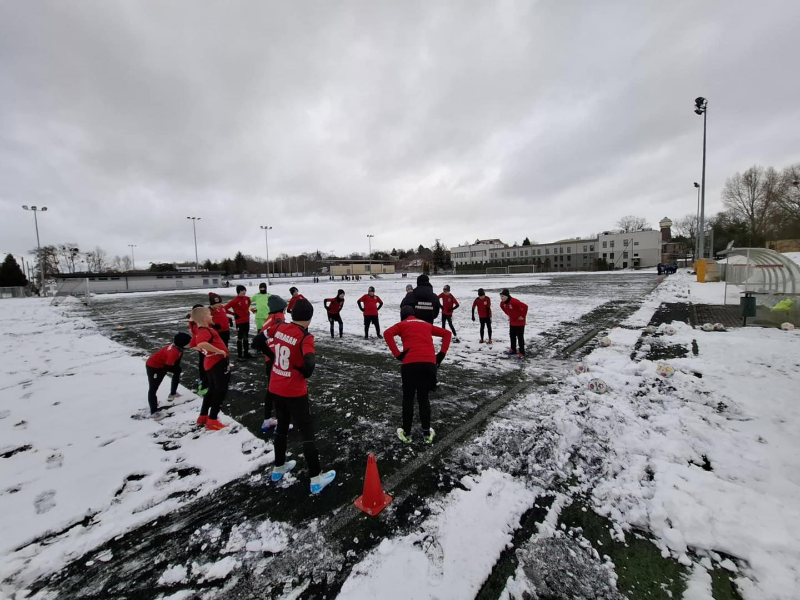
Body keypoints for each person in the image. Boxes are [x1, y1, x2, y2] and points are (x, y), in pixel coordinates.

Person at [264, 298, 336, 494]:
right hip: (294, 390)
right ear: (310, 319)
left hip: (276, 386)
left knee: (281, 426)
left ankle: (278, 467)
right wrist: (304, 372)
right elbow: (310, 361)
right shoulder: (305, 336)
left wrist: (273, 359)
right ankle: (315, 478)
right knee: (306, 432)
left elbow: (260, 339)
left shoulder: (279, 327)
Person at [384, 306, 452, 444]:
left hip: (410, 364)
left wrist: (397, 354)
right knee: (423, 398)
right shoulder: (426, 324)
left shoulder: (402, 325)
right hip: (429, 364)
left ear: (402, 315)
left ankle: (407, 434)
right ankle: (426, 433)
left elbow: (387, 333)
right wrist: (441, 354)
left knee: (408, 399)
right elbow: (447, 333)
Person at [251, 295, 289, 432]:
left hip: (271, 359)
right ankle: (280, 423)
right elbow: (280, 330)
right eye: (285, 308)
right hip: (274, 360)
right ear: (280, 308)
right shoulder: (278, 317)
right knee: (277, 391)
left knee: (272, 390)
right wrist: (272, 355)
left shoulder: (269, 318)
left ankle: (267, 419)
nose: (285, 311)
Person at [191, 306, 230, 430]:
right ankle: (213, 419)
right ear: (203, 318)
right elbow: (201, 343)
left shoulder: (200, 330)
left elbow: (193, 345)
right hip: (217, 363)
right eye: (209, 315)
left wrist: (206, 352)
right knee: (220, 390)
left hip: (211, 363)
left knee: (212, 389)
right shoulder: (205, 331)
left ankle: (203, 415)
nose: (212, 316)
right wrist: (218, 351)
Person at [145, 332, 192, 416]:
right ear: (183, 344)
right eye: (189, 342)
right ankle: (153, 411)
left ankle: (173, 393)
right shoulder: (173, 352)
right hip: (153, 366)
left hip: (163, 364)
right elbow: (165, 370)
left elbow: (176, 364)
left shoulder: (179, 349)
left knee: (177, 370)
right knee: (153, 387)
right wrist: (158, 379)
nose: (191, 343)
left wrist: (176, 369)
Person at [499, 288, 528, 359]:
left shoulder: (514, 301)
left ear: (507, 296)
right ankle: (513, 349)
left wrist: (523, 316)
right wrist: (509, 314)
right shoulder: (503, 303)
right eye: (500, 296)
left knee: (520, 338)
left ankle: (522, 353)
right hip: (512, 322)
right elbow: (502, 306)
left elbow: (525, 306)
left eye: (502, 296)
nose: (501, 298)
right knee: (512, 336)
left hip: (520, 323)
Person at [225, 285, 252, 359]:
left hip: (247, 321)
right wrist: (233, 313)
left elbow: (248, 303)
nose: (244, 292)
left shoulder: (247, 298)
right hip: (240, 322)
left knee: (246, 337)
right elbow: (224, 308)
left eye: (244, 290)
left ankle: (246, 353)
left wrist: (247, 311)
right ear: (238, 292)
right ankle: (240, 355)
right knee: (240, 338)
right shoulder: (235, 301)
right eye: (242, 291)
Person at [187, 303, 209, 396]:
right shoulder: (197, 324)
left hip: (201, 346)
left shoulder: (194, 322)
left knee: (203, 363)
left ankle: (203, 380)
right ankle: (203, 384)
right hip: (202, 346)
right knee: (205, 364)